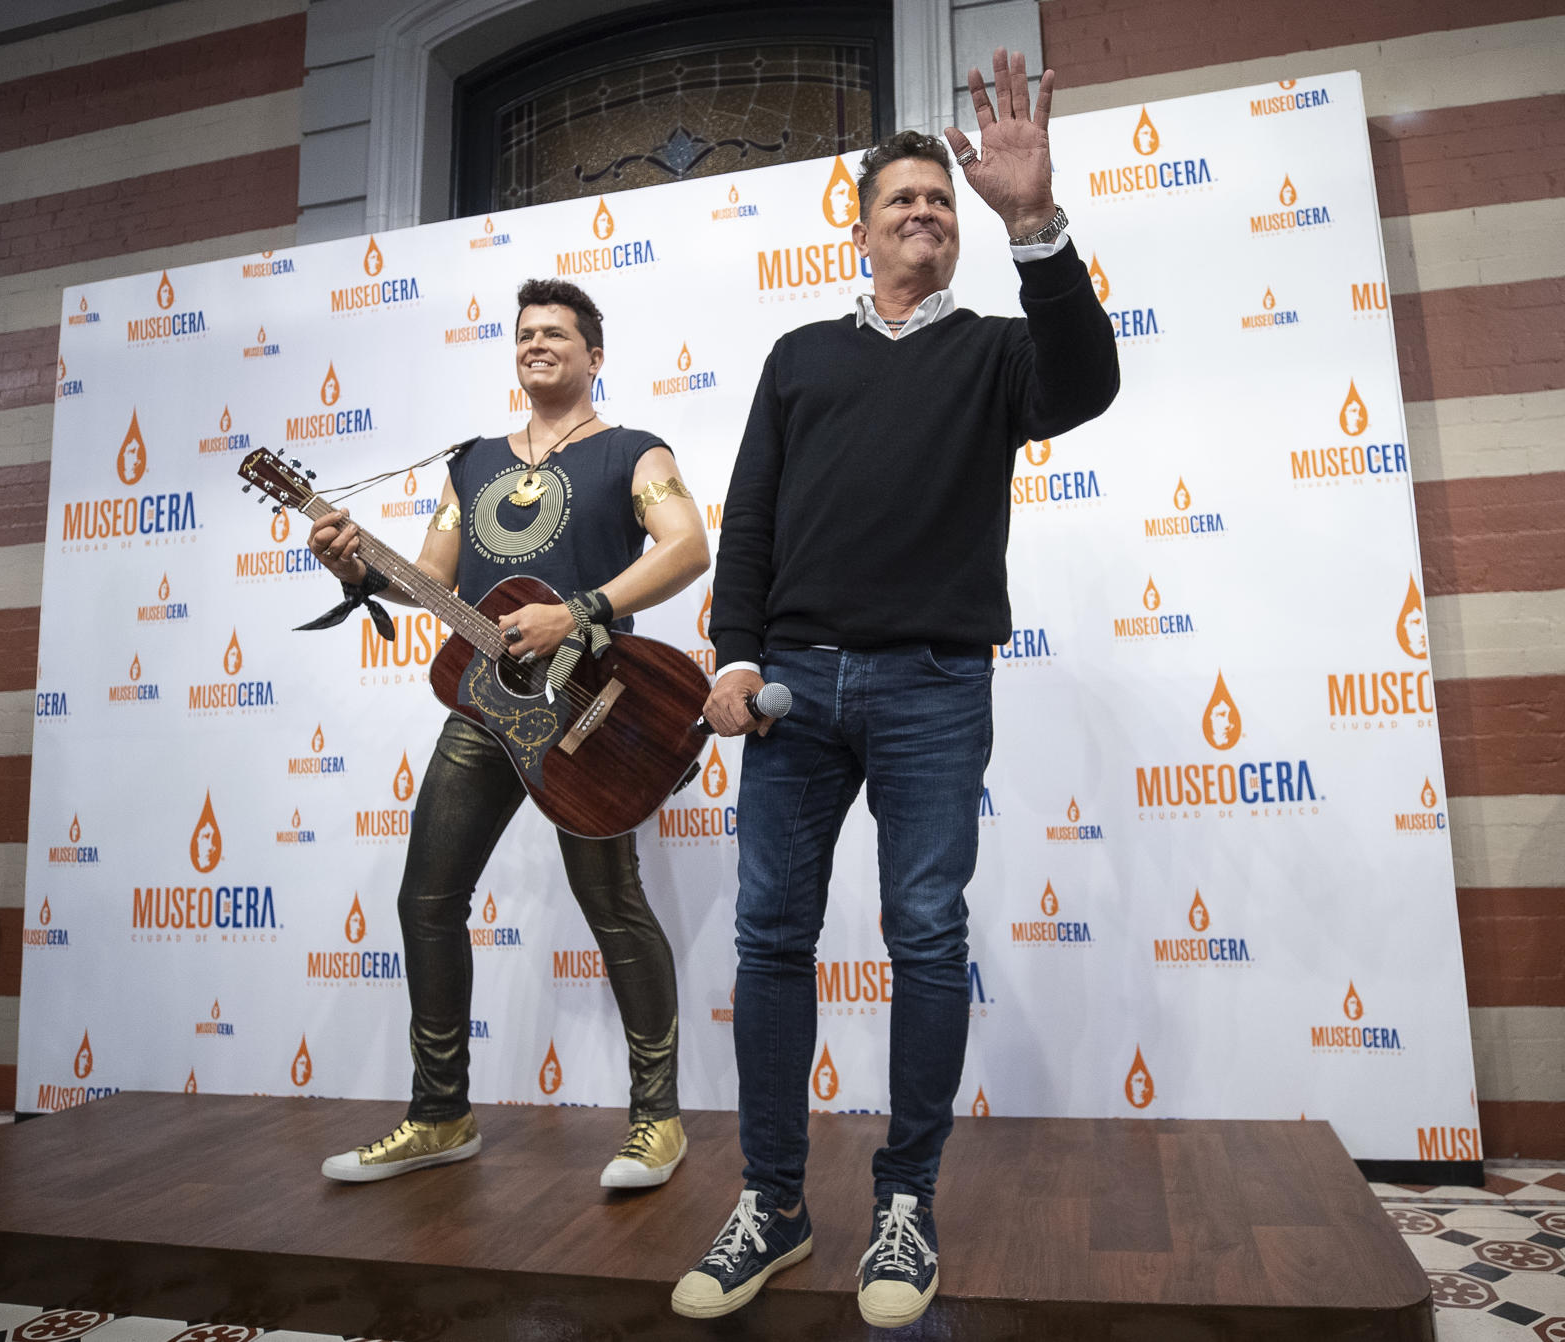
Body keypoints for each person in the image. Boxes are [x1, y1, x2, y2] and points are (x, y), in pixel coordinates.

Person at [671, 48, 1118, 1328]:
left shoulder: (995, 354)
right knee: (770, 941)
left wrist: (1035, 221)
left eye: (941, 200)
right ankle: (773, 1198)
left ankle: (905, 1202)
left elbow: (1088, 384)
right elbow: (747, 519)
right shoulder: (800, 355)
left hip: (934, 687)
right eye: (899, 202)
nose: (922, 213)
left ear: (960, 230)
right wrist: (736, 656)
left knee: (924, 938)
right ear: (860, 231)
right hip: (790, 695)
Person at [307, 278, 709, 1189]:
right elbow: (431, 581)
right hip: (486, 713)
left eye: (557, 334)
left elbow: (687, 546)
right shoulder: (475, 463)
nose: (537, 345)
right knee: (426, 900)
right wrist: (358, 563)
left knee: (613, 909)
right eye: (525, 333)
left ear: (593, 356)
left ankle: (657, 1121)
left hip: (590, 715)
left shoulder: (636, 453)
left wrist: (580, 612)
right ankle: (440, 1115)